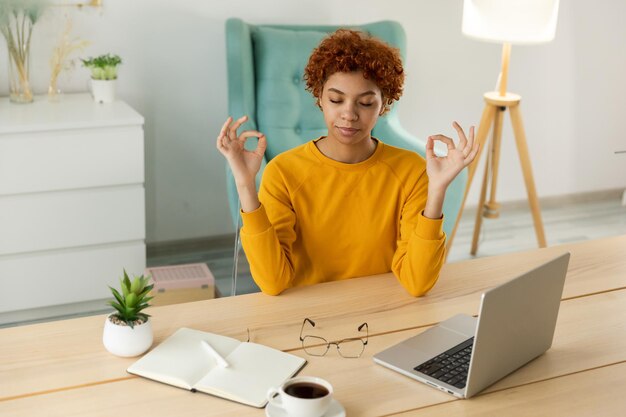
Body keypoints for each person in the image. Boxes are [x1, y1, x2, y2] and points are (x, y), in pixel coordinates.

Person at [217, 29, 478, 296]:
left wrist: (437, 191)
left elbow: (418, 282)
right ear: (319, 97)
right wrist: (245, 184)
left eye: (365, 103)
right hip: (308, 319)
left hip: (382, 312)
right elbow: (273, 282)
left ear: (384, 105)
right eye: (336, 100)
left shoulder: (410, 171)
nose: (349, 114)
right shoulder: (283, 173)